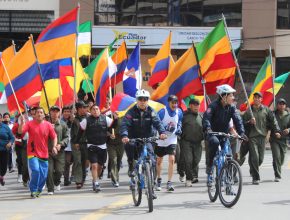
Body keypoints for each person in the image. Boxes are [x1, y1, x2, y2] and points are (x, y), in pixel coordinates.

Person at [202, 84, 246, 186]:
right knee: (214, 142)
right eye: (231, 95)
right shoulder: (213, 106)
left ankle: (228, 181)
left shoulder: (231, 108)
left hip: (224, 134)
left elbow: (238, 120)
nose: (233, 98)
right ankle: (209, 166)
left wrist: (242, 133)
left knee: (229, 155)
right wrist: (208, 129)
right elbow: (206, 118)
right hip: (212, 133)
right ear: (223, 96)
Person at [120, 89, 167, 179]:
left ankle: (151, 182)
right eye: (140, 99)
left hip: (148, 138)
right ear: (137, 100)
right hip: (134, 138)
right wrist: (125, 136)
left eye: (145, 99)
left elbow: (158, 123)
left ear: (147, 100)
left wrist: (162, 132)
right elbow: (125, 124)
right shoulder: (131, 112)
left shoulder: (151, 111)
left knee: (152, 160)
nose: (142, 102)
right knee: (130, 148)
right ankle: (131, 166)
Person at [18, 107, 57, 198]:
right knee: (36, 170)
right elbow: (20, 132)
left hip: (44, 153)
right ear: (34, 115)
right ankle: (33, 190)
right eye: (37, 112)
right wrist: (22, 123)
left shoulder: (48, 125)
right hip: (32, 152)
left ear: (44, 115)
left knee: (43, 175)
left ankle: (39, 190)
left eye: (41, 112)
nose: (39, 114)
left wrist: (54, 146)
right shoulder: (29, 124)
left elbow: (54, 137)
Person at [242, 92, 280, 184]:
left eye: (258, 98)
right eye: (255, 98)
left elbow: (273, 121)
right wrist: (249, 122)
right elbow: (242, 124)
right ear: (253, 99)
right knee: (255, 157)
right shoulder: (249, 111)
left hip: (262, 137)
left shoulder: (266, 110)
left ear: (261, 99)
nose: (256, 99)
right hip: (252, 137)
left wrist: (277, 131)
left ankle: (252, 168)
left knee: (260, 159)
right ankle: (256, 178)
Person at [79, 104, 115, 192]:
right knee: (94, 165)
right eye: (93, 109)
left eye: (97, 109)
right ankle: (95, 182)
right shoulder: (86, 120)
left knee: (100, 166)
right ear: (90, 111)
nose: (95, 110)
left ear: (99, 110)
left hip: (103, 146)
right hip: (91, 146)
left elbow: (114, 126)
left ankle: (96, 179)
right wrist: (76, 142)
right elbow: (80, 132)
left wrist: (116, 118)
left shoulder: (105, 118)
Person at [155, 95, 182, 192]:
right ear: (168, 103)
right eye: (172, 103)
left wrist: (179, 128)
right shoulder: (162, 112)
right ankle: (158, 179)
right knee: (159, 160)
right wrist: (163, 130)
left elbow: (179, 122)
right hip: (161, 139)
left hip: (172, 139)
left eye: (176, 103)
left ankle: (169, 182)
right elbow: (156, 123)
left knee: (172, 159)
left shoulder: (179, 112)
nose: (174, 105)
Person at [180, 98, 204, 187]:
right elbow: (179, 127)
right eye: (194, 105)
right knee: (188, 160)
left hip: (198, 142)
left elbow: (205, 127)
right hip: (186, 142)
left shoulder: (201, 116)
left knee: (196, 160)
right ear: (190, 106)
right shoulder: (184, 116)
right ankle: (189, 179)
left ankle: (191, 174)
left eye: (198, 105)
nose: (196, 107)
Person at [46, 106, 69, 195]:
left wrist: (61, 144)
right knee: (49, 170)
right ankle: (50, 189)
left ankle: (57, 181)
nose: (55, 113)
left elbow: (66, 137)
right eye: (53, 111)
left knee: (59, 171)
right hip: (48, 151)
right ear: (50, 112)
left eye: (57, 111)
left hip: (60, 151)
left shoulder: (63, 124)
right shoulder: (45, 123)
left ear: (59, 113)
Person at [269, 98, 290, 182]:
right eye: (280, 104)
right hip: (274, 139)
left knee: (281, 159)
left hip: (284, 140)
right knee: (276, 156)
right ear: (277, 105)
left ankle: (276, 164)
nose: (281, 106)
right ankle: (277, 175)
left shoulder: (288, 115)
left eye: (283, 104)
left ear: (285, 106)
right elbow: (269, 125)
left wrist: (288, 130)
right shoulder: (273, 114)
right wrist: (274, 132)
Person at [71, 101, 89, 189]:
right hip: (76, 143)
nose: (84, 109)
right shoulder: (73, 119)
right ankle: (78, 180)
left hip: (86, 143)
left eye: (85, 107)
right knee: (78, 161)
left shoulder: (89, 117)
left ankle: (83, 177)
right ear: (78, 109)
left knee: (85, 161)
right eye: (82, 107)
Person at [12, 113, 30, 185]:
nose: (24, 117)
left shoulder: (30, 122)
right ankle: (21, 175)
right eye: (23, 116)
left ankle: (29, 178)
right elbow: (16, 134)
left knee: (29, 163)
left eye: (26, 116)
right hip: (20, 145)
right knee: (21, 161)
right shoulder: (16, 125)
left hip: (29, 146)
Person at [107, 113, 124, 187]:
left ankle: (115, 174)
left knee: (118, 161)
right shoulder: (108, 117)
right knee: (113, 160)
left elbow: (126, 128)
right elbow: (104, 129)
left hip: (120, 143)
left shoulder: (123, 118)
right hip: (111, 144)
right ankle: (115, 179)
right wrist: (109, 134)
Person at [0, 113, 15, 186]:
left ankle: (1, 176)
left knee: (4, 166)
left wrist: (10, 143)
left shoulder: (6, 127)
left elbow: (12, 137)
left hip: (5, 150)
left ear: (1, 119)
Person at [61, 105, 74, 186]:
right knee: (67, 162)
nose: (67, 113)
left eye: (68, 112)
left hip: (73, 144)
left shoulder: (74, 120)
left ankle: (72, 175)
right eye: (65, 112)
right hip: (63, 145)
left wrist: (73, 121)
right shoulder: (59, 121)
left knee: (71, 162)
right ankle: (66, 179)